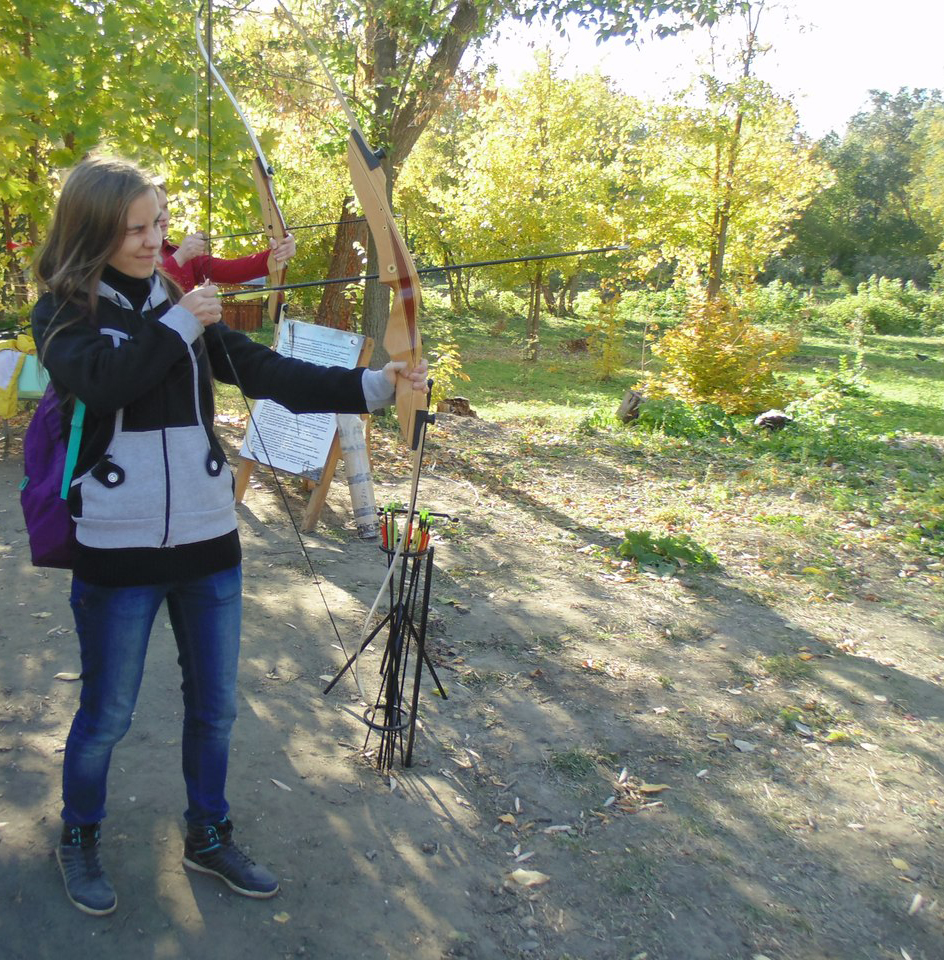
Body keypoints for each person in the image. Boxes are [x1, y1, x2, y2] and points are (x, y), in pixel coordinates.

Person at [32, 155, 428, 917]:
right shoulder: (62, 314)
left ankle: (207, 835)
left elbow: (264, 371)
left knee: (215, 707)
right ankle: (79, 834)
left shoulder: (178, 302)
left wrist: (376, 385)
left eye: (160, 225)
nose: (156, 242)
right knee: (108, 714)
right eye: (137, 229)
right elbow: (107, 383)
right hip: (118, 547)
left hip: (210, 543)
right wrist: (179, 321)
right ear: (93, 231)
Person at [156, 181, 296, 292]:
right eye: (156, 208)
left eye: (165, 207)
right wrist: (180, 257)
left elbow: (233, 270)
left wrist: (279, 252)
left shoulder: (180, 254)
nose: (163, 216)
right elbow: (149, 293)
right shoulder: (136, 259)